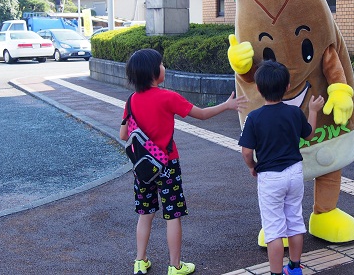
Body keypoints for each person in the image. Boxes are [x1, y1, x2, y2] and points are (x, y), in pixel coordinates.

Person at [120, 48, 247, 275]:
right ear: (153, 72)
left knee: (145, 213)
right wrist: (227, 106)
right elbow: (202, 114)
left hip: (143, 168)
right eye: (161, 64)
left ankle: (140, 261)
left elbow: (123, 135)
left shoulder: (131, 101)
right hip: (167, 165)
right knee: (173, 215)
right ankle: (175, 266)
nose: (164, 67)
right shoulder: (168, 97)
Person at [238, 60, 325, 275]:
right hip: (294, 172)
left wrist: (253, 166)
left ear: (258, 88)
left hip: (270, 177)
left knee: (274, 230)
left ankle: (276, 273)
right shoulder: (294, 113)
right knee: (295, 221)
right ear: (287, 87)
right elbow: (309, 134)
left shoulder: (254, 118)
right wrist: (313, 110)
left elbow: (247, 152)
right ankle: (294, 268)